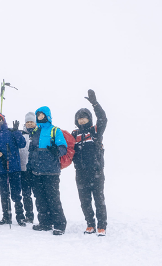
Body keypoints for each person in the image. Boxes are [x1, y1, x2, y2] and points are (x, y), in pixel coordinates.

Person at [71, 89, 108, 236]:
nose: (82, 120)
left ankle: (102, 226)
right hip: (80, 173)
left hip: (96, 172)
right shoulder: (74, 135)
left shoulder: (95, 131)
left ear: (89, 119)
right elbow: (66, 149)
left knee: (99, 200)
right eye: (79, 118)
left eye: (84, 117)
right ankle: (90, 224)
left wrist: (95, 104)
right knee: (85, 201)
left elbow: (103, 119)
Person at [28, 106, 67, 235]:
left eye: (42, 115)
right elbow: (32, 151)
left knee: (53, 198)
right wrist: (29, 167)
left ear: (47, 116)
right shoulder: (35, 132)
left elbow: (63, 148)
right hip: (36, 172)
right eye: (38, 115)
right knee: (40, 198)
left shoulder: (55, 130)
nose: (39, 117)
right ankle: (45, 223)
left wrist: (57, 150)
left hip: (51, 172)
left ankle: (59, 225)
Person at [0, 112, 27, 227]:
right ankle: (6, 216)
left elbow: (22, 144)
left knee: (16, 193)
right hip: (0, 169)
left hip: (14, 168)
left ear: (3, 119)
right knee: (4, 193)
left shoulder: (11, 132)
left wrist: (17, 132)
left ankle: (20, 216)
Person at [18, 112, 37, 223]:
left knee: (38, 193)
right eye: (28, 122)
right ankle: (29, 215)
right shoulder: (20, 134)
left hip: (35, 169)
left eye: (31, 122)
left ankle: (42, 215)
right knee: (26, 194)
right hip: (23, 169)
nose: (29, 124)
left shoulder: (38, 134)